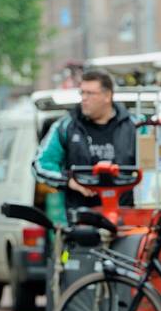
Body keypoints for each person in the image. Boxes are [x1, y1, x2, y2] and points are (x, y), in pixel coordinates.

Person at [32, 69, 139, 217]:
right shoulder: (66, 126)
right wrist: (69, 181)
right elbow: (40, 165)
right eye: (82, 93)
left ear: (107, 96)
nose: (84, 98)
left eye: (90, 93)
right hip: (81, 221)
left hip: (125, 219)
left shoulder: (135, 126)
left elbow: (153, 166)